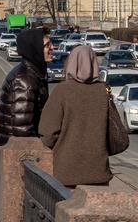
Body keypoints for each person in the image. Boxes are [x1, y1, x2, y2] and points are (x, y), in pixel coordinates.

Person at [38, 46, 113, 187]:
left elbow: (48, 132)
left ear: (70, 63)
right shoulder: (103, 91)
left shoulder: (62, 91)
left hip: (66, 172)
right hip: (98, 172)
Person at [0, 27, 51, 145]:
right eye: (47, 45)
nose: (52, 48)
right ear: (35, 49)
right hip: (19, 153)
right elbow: (21, 129)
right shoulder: (24, 79)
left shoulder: (33, 73)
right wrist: (38, 152)